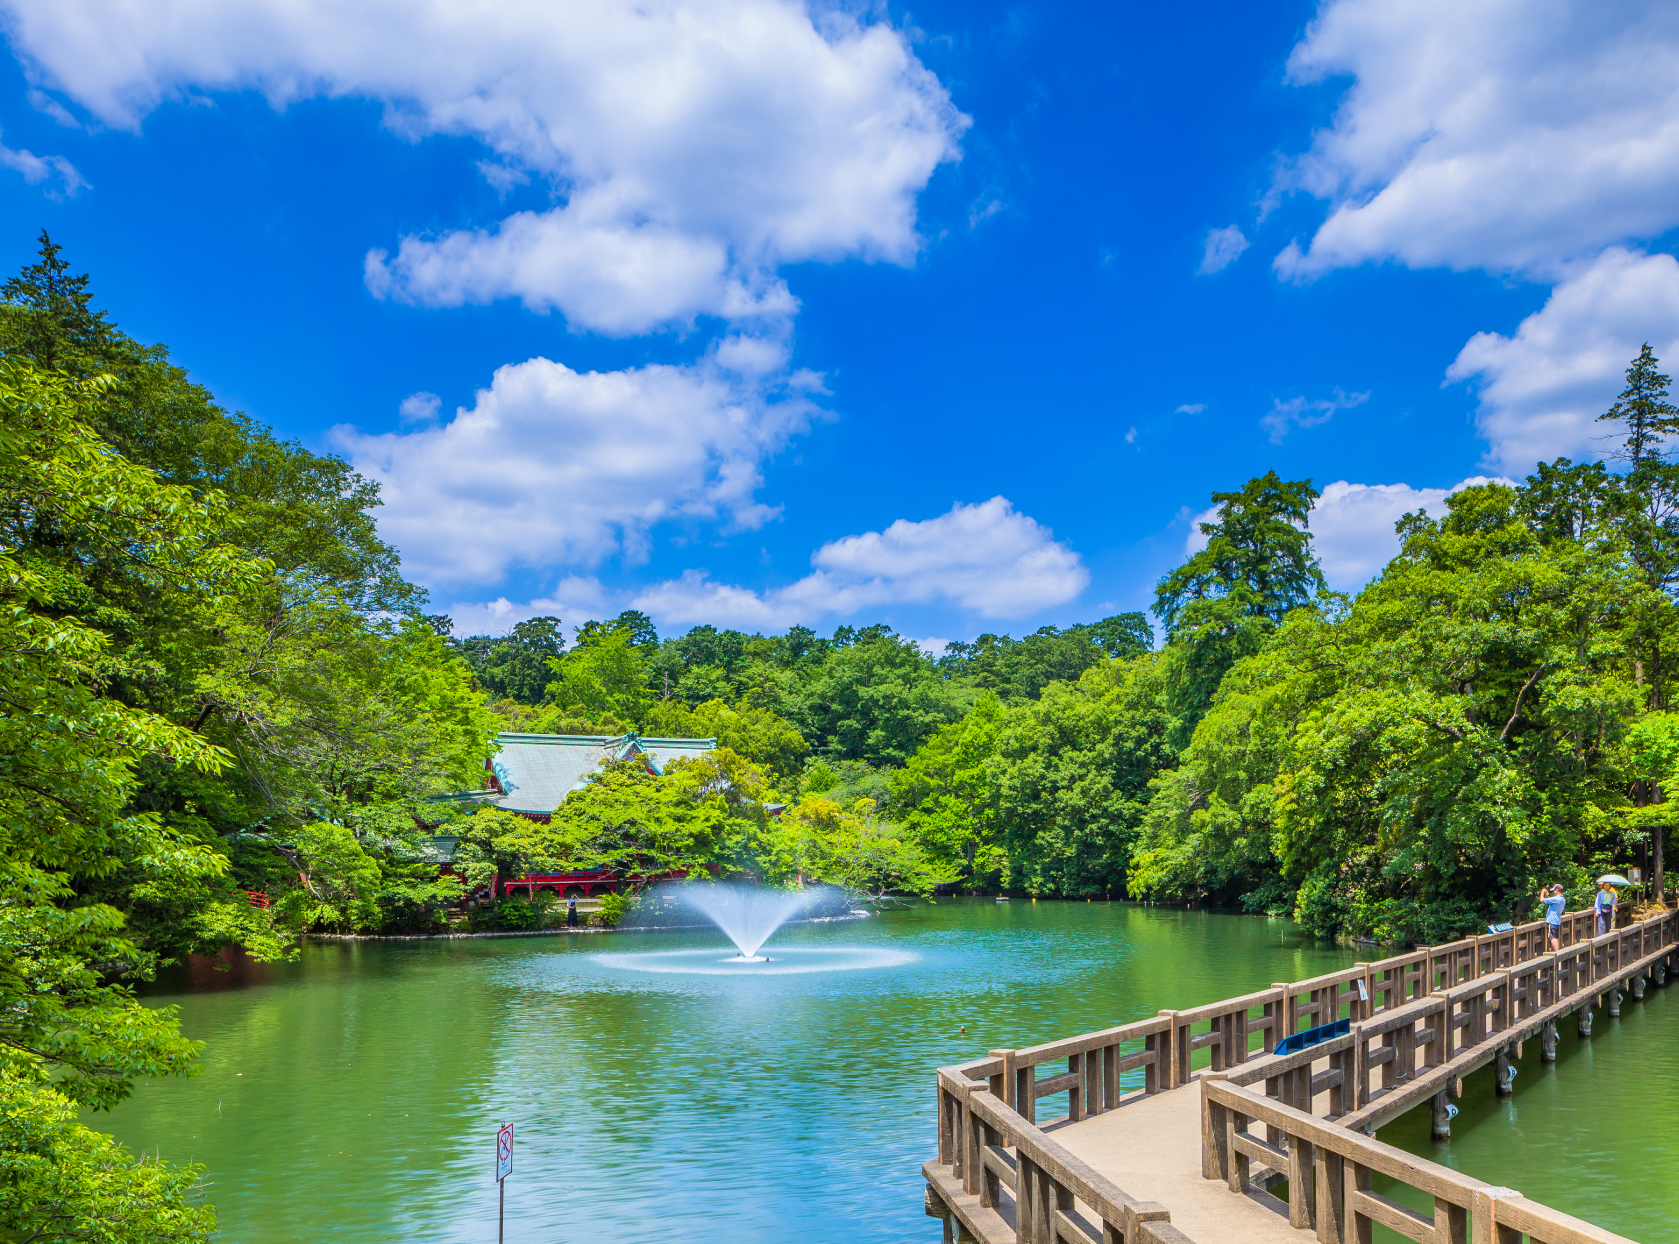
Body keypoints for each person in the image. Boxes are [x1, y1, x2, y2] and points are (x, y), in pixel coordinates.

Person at [1541, 884, 1566, 951]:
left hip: (1551, 921)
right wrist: (1547, 896)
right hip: (1557, 921)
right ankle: (1557, 952)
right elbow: (1551, 901)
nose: (1553, 892)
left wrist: (1542, 891)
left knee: (1552, 937)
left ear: (1557, 890)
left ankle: (1557, 953)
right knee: (1555, 937)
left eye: (1554, 890)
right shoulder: (1562, 899)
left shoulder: (1556, 899)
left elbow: (1541, 900)